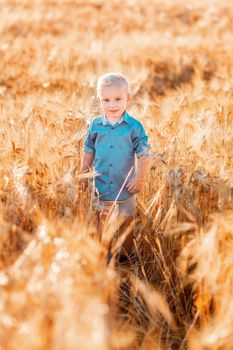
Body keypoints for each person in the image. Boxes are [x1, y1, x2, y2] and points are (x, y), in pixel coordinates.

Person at [81, 72, 152, 264]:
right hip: (101, 185)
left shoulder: (134, 127)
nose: (112, 105)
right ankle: (104, 256)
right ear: (100, 100)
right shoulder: (95, 125)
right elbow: (88, 150)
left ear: (127, 98)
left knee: (126, 224)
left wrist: (140, 179)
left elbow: (145, 154)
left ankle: (126, 258)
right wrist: (84, 174)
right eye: (106, 100)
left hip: (126, 187)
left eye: (118, 99)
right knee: (102, 223)